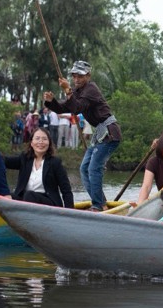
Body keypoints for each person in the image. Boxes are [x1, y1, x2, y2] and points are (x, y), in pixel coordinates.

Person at [45, 61, 121, 212]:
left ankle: (98, 205)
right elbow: (64, 108)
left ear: (88, 75)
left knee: (94, 168)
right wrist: (50, 102)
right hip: (100, 135)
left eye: (80, 76)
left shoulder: (91, 89)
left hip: (109, 133)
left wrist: (67, 90)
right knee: (84, 168)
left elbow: (77, 108)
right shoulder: (77, 92)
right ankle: (101, 201)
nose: (76, 79)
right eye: (74, 76)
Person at [4, 127, 74, 208]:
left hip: (48, 203)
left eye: (44, 139)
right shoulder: (25, 159)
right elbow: (5, 161)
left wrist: (69, 211)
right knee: (6, 196)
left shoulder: (55, 163)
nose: (41, 142)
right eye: (37, 138)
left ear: (49, 143)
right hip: (25, 201)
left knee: (29, 195)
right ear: (31, 143)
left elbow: (66, 190)